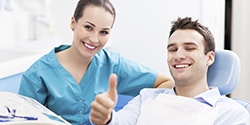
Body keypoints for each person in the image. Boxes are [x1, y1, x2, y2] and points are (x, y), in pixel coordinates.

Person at [18, 0, 174, 125]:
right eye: (88, 27)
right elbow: (21, 121)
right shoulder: (37, 75)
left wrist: (131, 114)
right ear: (73, 23)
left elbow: (166, 82)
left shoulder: (112, 64)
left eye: (103, 32)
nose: (94, 39)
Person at [90, 17, 250, 125]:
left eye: (189, 48)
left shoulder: (232, 114)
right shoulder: (146, 98)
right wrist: (106, 117)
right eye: (172, 49)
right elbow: (119, 122)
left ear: (210, 58)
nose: (179, 55)